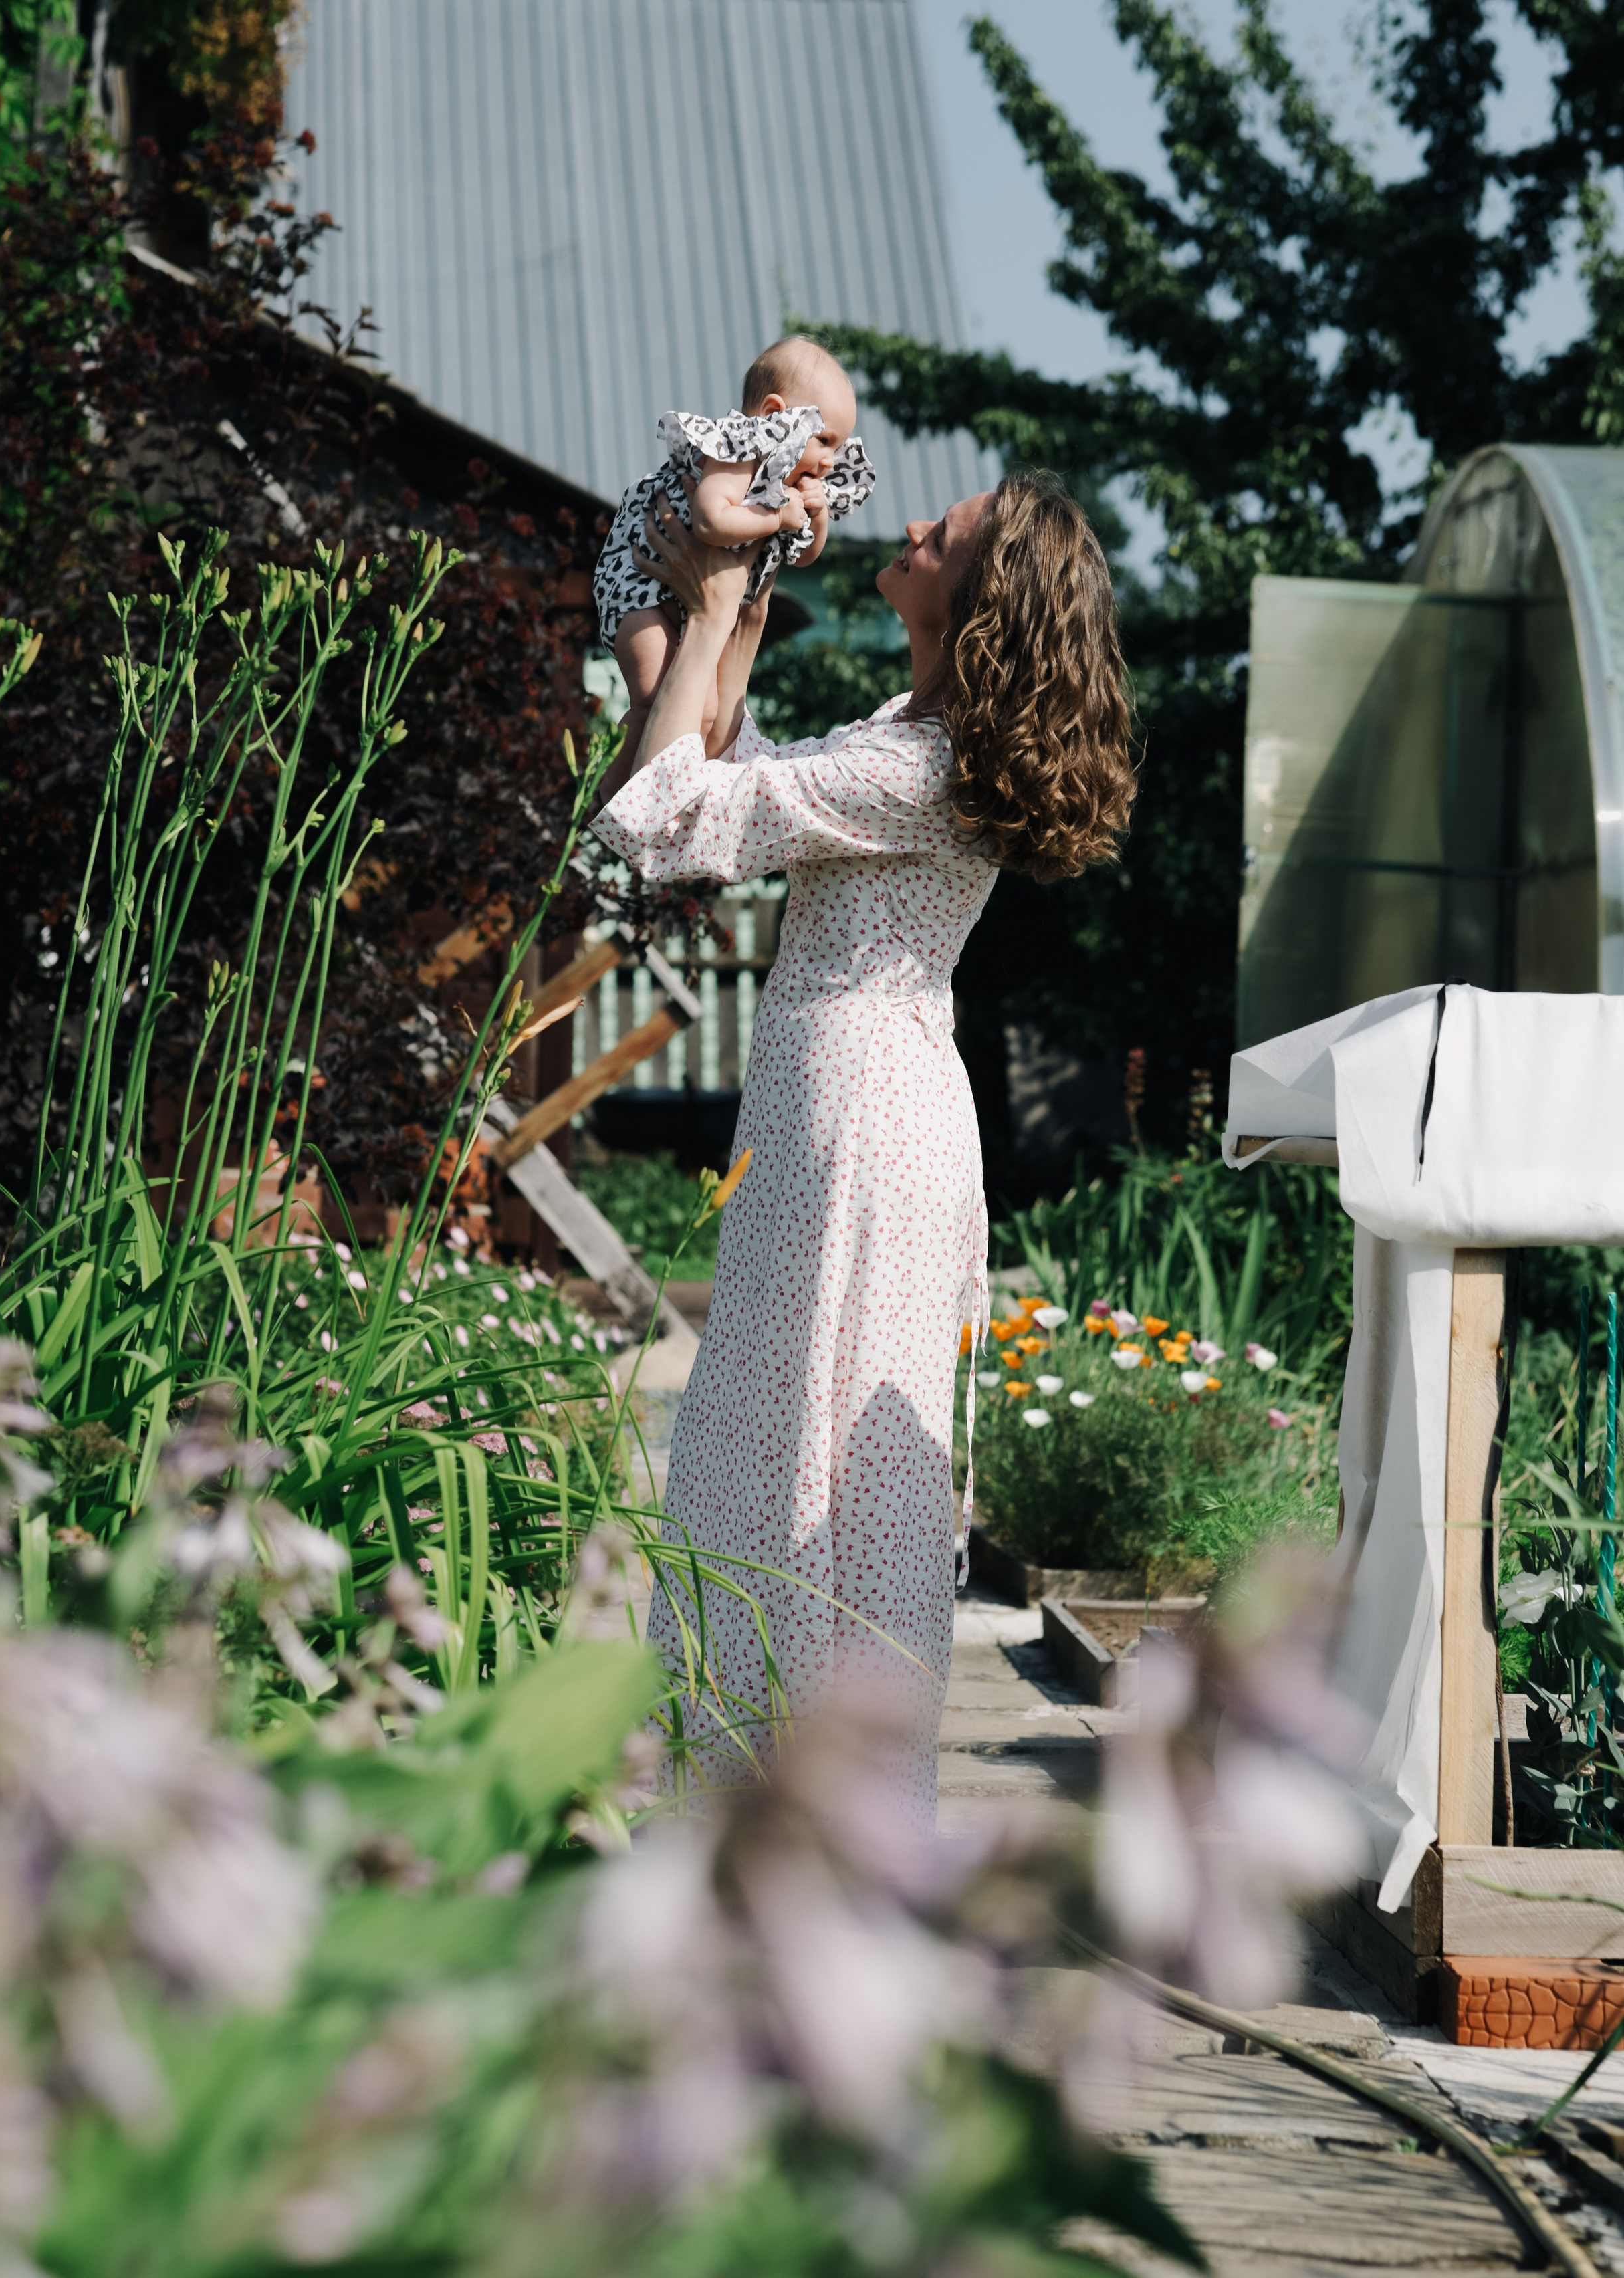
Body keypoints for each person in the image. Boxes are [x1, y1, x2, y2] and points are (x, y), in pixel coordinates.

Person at [592, 469, 1135, 1825]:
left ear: (976, 595)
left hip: (857, 1120)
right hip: (852, 1108)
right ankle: (787, 1802)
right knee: (800, 1445)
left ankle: (802, 1812)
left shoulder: (923, 762)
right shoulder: (907, 732)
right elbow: (738, 777)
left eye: (939, 532)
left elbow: (664, 822)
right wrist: (736, 598)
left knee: (816, 1458)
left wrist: (712, 598)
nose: (909, 527)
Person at [592, 336, 876, 766]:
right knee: (655, 700)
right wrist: (778, 518)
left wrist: (814, 518)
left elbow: (803, 557)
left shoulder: (787, 482)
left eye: (839, 448)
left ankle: (644, 810)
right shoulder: (738, 452)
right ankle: (608, 800)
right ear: (775, 417)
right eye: (825, 441)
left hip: (687, 601)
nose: (832, 461)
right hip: (640, 587)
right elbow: (711, 520)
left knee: (702, 714)